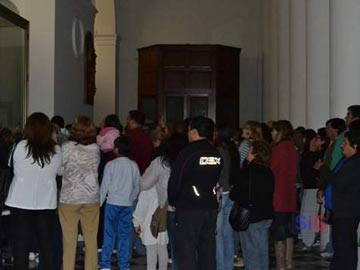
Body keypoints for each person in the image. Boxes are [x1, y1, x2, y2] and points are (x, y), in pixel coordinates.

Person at [5, 112, 62, 270]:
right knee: (47, 246)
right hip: (45, 202)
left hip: (20, 201)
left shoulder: (20, 147)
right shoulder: (56, 149)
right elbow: (59, 172)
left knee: (20, 246)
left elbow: (11, 167)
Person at [168, 116, 223, 270]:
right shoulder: (215, 153)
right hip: (210, 207)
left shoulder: (188, 153)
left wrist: (173, 201)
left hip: (189, 208)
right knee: (207, 250)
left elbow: (175, 181)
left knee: (186, 252)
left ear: (194, 132)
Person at [59, 116, 100, 270]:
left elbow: (60, 170)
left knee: (69, 241)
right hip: (91, 197)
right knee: (91, 239)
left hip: (70, 198)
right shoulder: (95, 148)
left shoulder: (67, 147)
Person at [230, 140, 274, 270]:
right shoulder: (268, 171)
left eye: (250, 150)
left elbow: (236, 193)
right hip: (266, 215)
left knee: (250, 253)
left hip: (251, 216)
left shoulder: (248, 171)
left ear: (254, 154)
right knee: (262, 250)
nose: (247, 152)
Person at [99, 136, 140, 270]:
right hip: (127, 205)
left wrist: (99, 203)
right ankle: (124, 265)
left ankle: (105, 264)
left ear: (116, 149)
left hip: (112, 204)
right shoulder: (133, 165)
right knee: (124, 236)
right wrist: (131, 198)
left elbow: (104, 186)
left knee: (109, 235)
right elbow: (137, 186)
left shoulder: (110, 165)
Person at [328, 129, 360, 270]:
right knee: (342, 248)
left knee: (345, 248)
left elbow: (339, 182)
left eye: (345, 143)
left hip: (347, 212)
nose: (342, 146)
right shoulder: (349, 161)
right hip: (343, 211)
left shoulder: (355, 163)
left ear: (355, 146)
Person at [270, 120, 298, 270]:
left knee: (279, 231)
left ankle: (281, 265)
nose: (272, 133)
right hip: (290, 195)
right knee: (288, 231)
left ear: (280, 132)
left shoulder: (278, 149)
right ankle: (288, 263)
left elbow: (272, 171)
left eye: (274, 130)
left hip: (279, 195)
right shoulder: (292, 148)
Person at [215, 126, 240, 270]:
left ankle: (220, 265)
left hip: (221, 192)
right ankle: (228, 264)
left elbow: (219, 173)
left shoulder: (220, 151)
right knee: (227, 232)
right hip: (230, 191)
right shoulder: (233, 150)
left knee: (218, 233)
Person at [126, 110, 153, 174]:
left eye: (128, 119)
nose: (127, 121)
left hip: (130, 171)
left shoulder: (128, 137)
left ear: (132, 121)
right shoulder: (147, 137)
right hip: (144, 172)